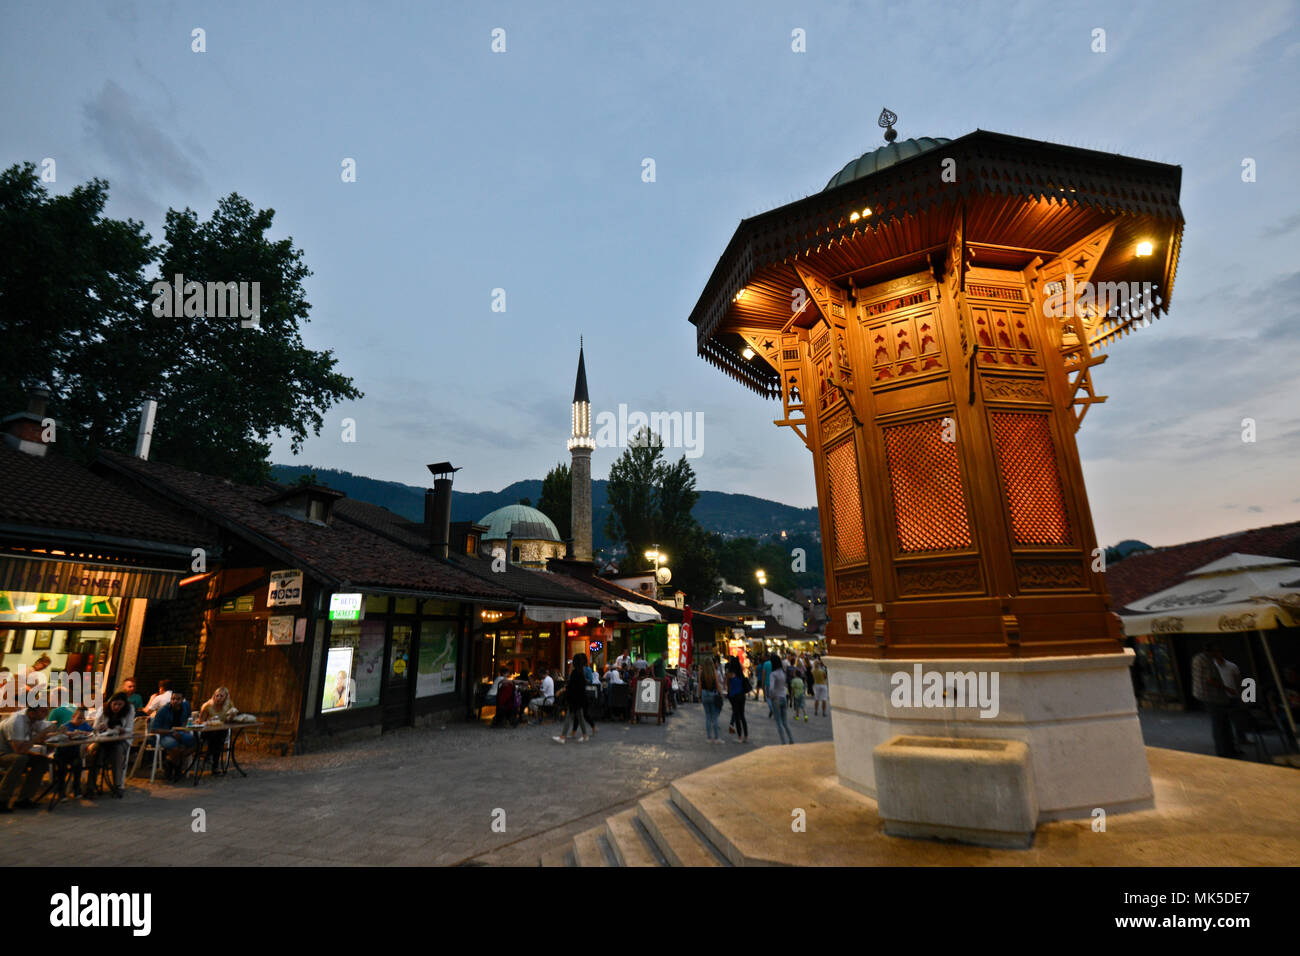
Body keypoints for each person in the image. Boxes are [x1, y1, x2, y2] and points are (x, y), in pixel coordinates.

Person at [1191, 642, 1244, 758]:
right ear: (1213, 652)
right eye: (1218, 651)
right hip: (1212, 696)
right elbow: (1210, 680)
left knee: (1220, 723)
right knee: (1220, 723)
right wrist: (1227, 689)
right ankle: (1224, 750)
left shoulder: (1198, 658)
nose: (1220, 654)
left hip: (1204, 694)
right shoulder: (1207, 660)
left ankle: (1227, 748)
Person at [0, 703, 53, 810]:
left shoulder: (36, 719)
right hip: (3, 753)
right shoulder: (17, 721)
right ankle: (2, 799)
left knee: (42, 761)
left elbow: (46, 734)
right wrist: (39, 735)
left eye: (47, 710)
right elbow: (20, 750)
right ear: (32, 713)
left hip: (14, 751)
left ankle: (24, 799)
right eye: (43, 711)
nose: (46, 714)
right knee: (20, 759)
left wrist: (65, 733)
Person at [88, 692, 134, 798]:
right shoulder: (103, 710)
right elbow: (94, 728)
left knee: (117, 751)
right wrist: (100, 727)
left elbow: (130, 729)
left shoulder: (129, 710)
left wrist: (122, 730)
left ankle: (117, 785)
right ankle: (91, 786)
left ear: (124, 705)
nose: (117, 707)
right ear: (110, 703)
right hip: (103, 740)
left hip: (121, 740)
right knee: (96, 753)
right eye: (115, 704)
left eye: (120, 705)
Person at [150, 688, 196, 781]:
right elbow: (154, 729)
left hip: (181, 732)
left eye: (178, 699)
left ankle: (170, 762)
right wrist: (171, 732)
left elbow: (188, 718)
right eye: (173, 699)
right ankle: (177, 768)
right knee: (176, 748)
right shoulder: (163, 710)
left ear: (183, 700)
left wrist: (184, 728)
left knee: (197, 743)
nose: (175, 701)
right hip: (164, 734)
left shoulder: (186, 706)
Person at [199, 687, 239, 773]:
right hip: (207, 731)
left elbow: (229, 720)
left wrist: (231, 717)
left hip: (221, 730)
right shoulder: (207, 706)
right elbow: (200, 721)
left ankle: (210, 756)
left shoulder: (229, 705)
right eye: (217, 696)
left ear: (226, 697)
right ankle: (214, 764)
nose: (219, 698)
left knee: (220, 735)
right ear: (214, 696)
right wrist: (209, 722)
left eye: (221, 696)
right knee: (217, 736)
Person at [553, 654, 592, 743]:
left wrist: (562, 691)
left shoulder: (575, 673)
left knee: (569, 716)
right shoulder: (581, 673)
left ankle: (563, 737)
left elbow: (570, 686)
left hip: (574, 699)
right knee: (580, 716)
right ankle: (585, 735)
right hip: (580, 699)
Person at [768, 653, 794, 745]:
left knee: (778, 722)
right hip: (783, 697)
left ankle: (783, 742)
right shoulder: (783, 673)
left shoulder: (773, 674)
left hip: (776, 699)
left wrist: (771, 696)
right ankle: (791, 739)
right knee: (785, 721)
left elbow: (771, 688)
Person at [699, 658, 724, 744]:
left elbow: (700, 685)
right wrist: (721, 694)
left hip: (704, 695)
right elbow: (717, 685)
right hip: (713, 695)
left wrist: (699, 696)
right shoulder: (714, 673)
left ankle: (709, 738)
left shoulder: (701, 673)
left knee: (708, 717)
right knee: (715, 717)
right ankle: (717, 738)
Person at [725, 660, 748, 743]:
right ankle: (745, 736)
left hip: (734, 697)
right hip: (742, 696)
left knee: (737, 716)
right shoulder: (741, 674)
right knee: (742, 716)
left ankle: (739, 737)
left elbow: (728, 686)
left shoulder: (730, 675)